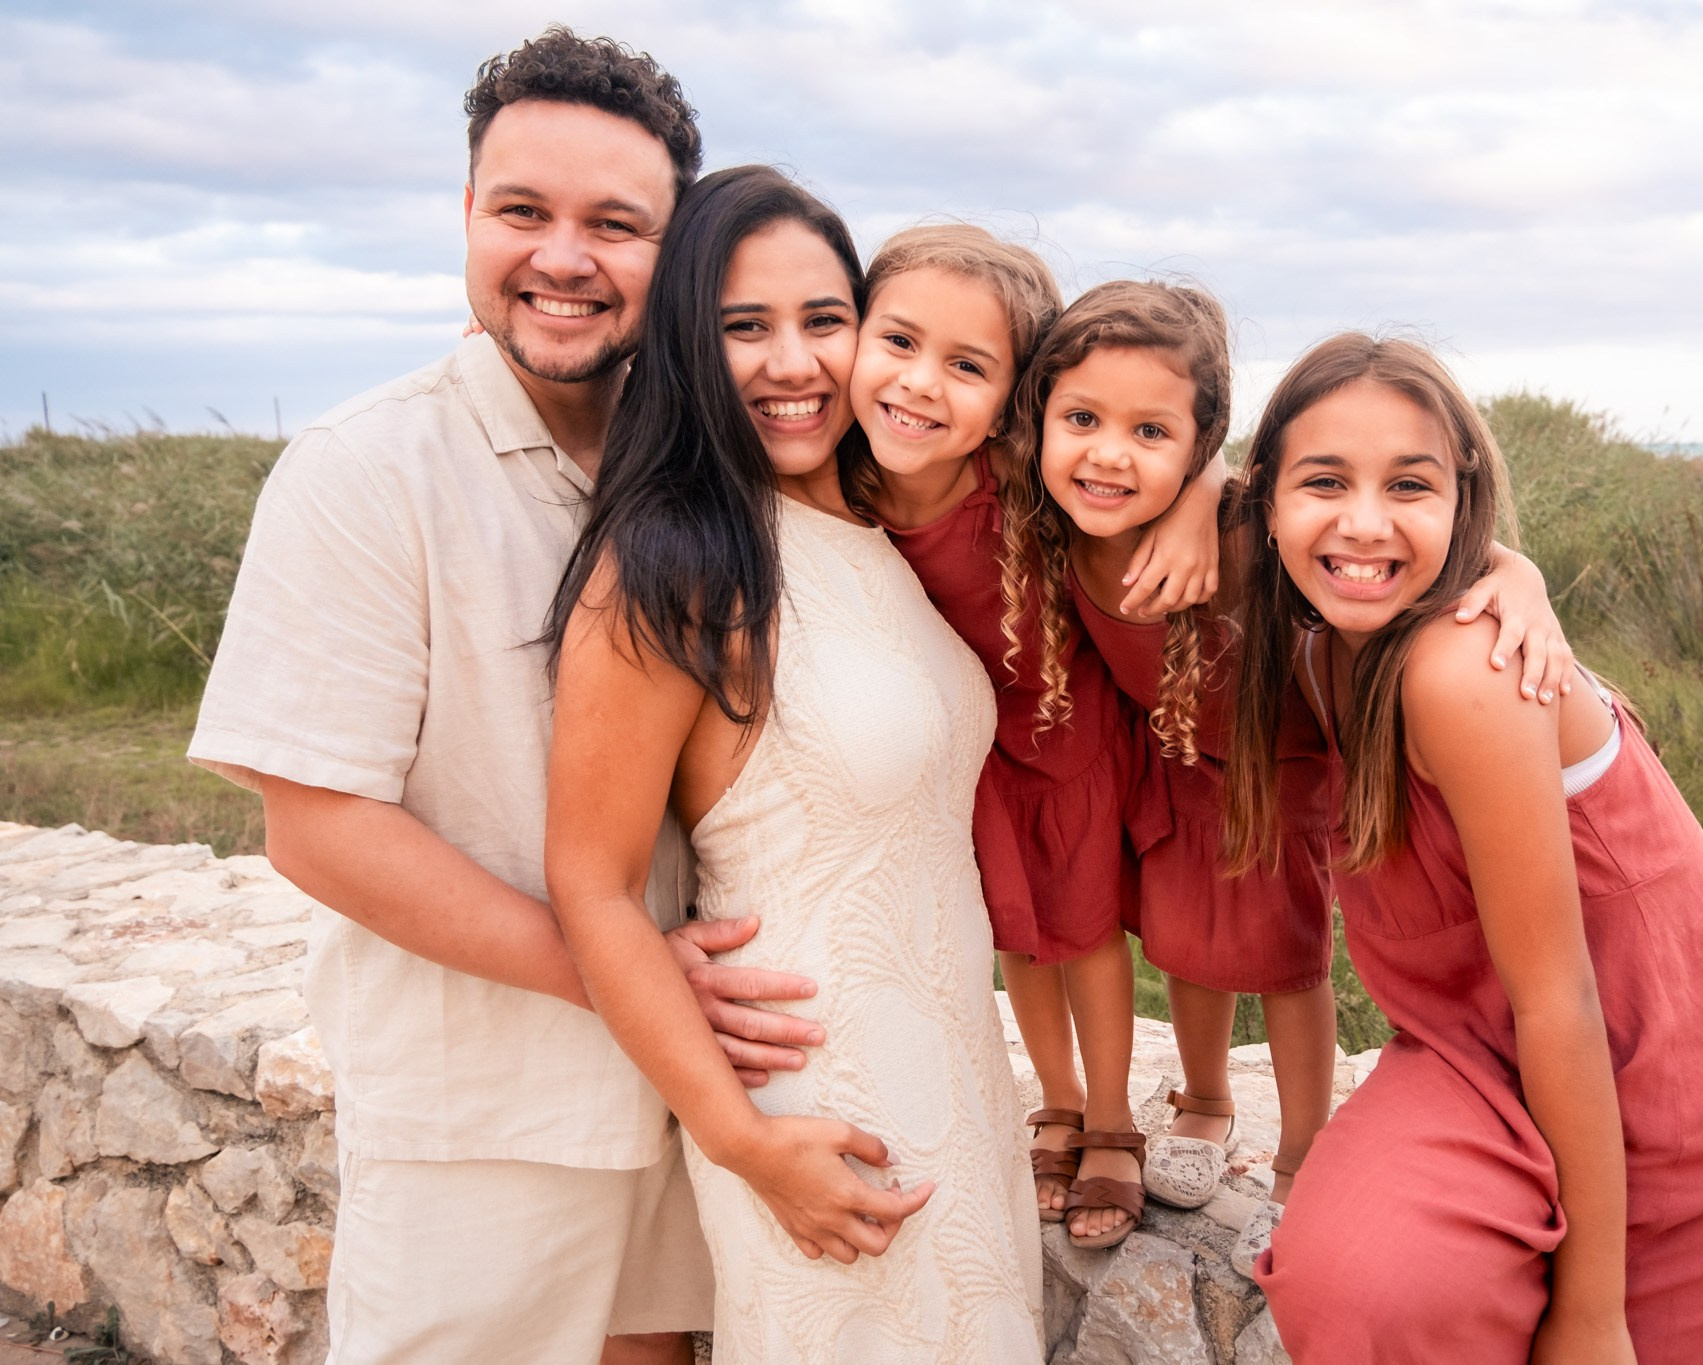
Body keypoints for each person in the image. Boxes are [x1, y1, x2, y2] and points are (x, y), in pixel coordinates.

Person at [189, 30, 817, 1365]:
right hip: (482, 1107)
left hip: (705, 1095)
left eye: (617, 224)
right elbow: (318, 827)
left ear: (678, 251)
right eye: (522, 211)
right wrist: (629, 977)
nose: (563, 256)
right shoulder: (363, 472)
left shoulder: (725, 464)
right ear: (467, 216)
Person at [1231, 334, 1703, 1363]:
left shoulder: (1463, 669)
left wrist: (1590, 1316)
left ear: (1462, 500)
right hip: (1476, 1052)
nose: (1361, 521)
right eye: (1322, 481)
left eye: (1407, 485)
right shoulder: (1324, 649)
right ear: (1263, 500)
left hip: (1667, 1071)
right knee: (1355, 1284)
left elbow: (1560, 996)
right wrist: (1508, 560)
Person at [543, 166, 1041, 1364]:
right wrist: (738, 1140)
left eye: (824, 320)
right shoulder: (675, 563)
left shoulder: (884, 525)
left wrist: (1503, 574)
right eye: (741, 328)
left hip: (956, 1079)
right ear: (684, 349)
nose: (792, 363)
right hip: (810, 1106)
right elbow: (588, 880)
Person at [1002, 284, 1569, 1253]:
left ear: (1203, 440)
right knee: (1186, 944)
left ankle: (1302, 1148)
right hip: (1173, 760)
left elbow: (1429, 545)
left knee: (1285, 958)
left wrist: (1523, 577)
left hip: (1276, 767)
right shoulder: (1058, 523)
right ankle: (1204, 1102)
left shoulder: (1230, 523)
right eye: (1082, 419)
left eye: (1149, 431)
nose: (1107, 451)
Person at [836, 226, 1225, 1236]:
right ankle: (1051, 1101)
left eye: (966, 366)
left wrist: (1202, 500)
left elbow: (1213, 460)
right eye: (901, 345)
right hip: (968, 756)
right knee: (1018, 932)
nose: (922, 386)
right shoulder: (842, 480)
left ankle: (1109, 1122)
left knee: (1086, 932)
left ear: (1011, 397)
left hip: (1069, 734)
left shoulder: (1014, 478)